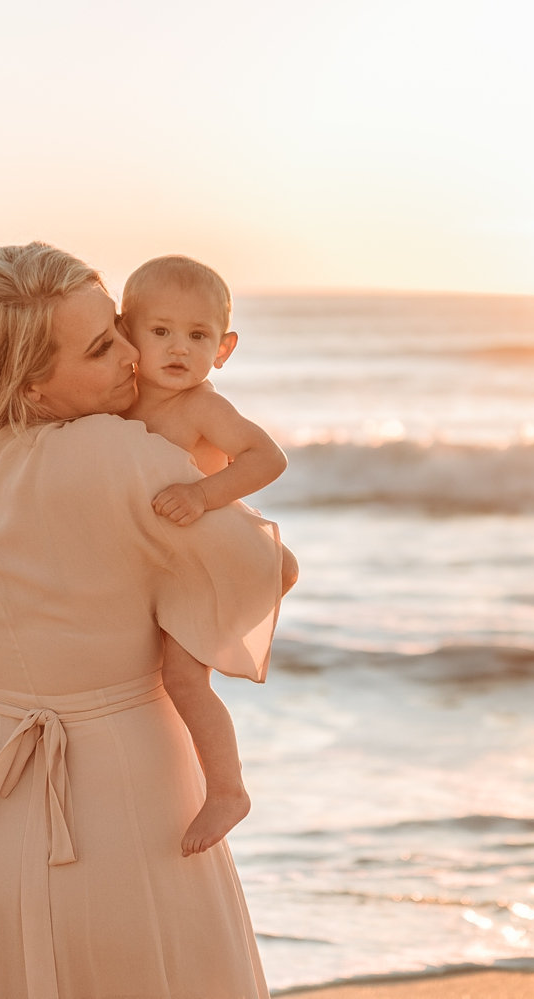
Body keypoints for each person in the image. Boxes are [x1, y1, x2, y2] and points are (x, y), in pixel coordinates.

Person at [0, 242, 284, 999]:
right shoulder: (125, 455)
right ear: (31, 382)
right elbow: (268, 569)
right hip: (128, 797)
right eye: (100, 346)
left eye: (119, 328)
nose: (131, 356)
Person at [117, 254, 298, 857]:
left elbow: (268, 457)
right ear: (126, 335)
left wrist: (203, 493)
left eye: (198, 336)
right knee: (161, 678)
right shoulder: (123, 400)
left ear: (223, 348)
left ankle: (228, 791)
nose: (178, 349)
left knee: (183, 681)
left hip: (223, 563)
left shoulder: (199, 405)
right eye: (161, 331)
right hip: (184, 565)